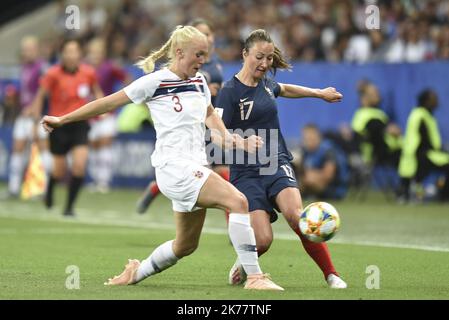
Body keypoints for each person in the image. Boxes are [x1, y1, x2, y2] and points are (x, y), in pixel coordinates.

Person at [41, 26, 283, 291]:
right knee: (238, 201)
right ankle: (255, 278)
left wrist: (236, 140)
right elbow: (108, 103)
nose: (203, 60)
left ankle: (136, 272)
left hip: (195, 167)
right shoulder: (155, 82)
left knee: (185, 245)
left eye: (206, 55)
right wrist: (63, 119)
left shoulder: (199, 81)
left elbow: (211, 116)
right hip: (174, 168)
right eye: (199, 54)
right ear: (179, 52)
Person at [215, 29, 347, 289]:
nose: (265, 64)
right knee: (263, 240)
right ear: (244, 54)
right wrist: (241, 142)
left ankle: (332, 274)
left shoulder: (266, 82)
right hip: (246, 172)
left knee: (298, 216)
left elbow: (285, 88)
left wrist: (319, 93)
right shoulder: (230, 91)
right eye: (259, 57)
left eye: (269, 58)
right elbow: (216, 134)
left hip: (276, 161)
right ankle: (246, 261)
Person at [135, 18, 230, 215]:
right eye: (200, 33)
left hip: (210, 123)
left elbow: (211, 104)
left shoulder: (216, 67)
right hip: (191, 126)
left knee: (220, 171)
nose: (206, 38)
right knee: (212, 174)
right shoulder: (183, 67)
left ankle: (234, 224)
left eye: (208, 34)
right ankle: (157, 187)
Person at [28, 39, 103, 216]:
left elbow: (97, 92)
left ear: (80, 54)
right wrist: (35, 121)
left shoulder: (88, 73)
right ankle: (49, 191)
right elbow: (40, 97)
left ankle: (69, 207)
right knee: (59, 171)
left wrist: (103, 109)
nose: (71, 55)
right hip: (58, 124)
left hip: (80, 124)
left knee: (79, 166)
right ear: (62, 54)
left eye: (74, 51)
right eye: (67, 51)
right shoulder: (52, 74)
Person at [1, 36, 51, 199]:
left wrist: (33, 109)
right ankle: (14, 188)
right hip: (23, 115)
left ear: (36, 50)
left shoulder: (42, 68)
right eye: (24, 49)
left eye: (30, 49)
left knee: (42, 149)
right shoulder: (23, 67)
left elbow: (45, 91)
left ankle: (45, 188)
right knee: (17, 150)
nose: (26, 52)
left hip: (38, 116)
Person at [85, 37, 131, 193]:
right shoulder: (85, 69)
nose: (95, 55)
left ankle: (104, 181)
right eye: (93, 52)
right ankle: (95, 179)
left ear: (103, 53)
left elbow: (127, 79)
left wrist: (123, 97)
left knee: (105, 145)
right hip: (90, 115)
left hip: (107, 114)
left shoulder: (109, 67)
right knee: (94, 147)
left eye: (98, 52)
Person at [398, 89, 449, 202]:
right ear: (427, 101)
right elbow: (423, 139)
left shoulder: (424, 115)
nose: (437, 102)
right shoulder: (420, 115)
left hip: (422, 152)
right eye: (434, 99)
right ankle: (443, 196)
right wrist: (440, 149)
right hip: (421, 153)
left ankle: (436, 192)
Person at [351, 81, 402, 169]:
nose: (378, 95)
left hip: (395, 153)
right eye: (374, 93)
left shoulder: (379, 112)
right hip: (377, 158)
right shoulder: (362, 114)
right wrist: (387, 129)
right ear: (364, 98)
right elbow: (372, 129)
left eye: (377, 92)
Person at [295, 124, 349, 200]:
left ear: (318, 137)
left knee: (309, 179)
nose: (308, 141)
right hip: (310, 184)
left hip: (333, 189)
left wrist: (311, 175)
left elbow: (328, 175)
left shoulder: (328, 150)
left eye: (311, 138)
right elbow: (302, 172)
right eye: (306, 139)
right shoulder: (305, 151)